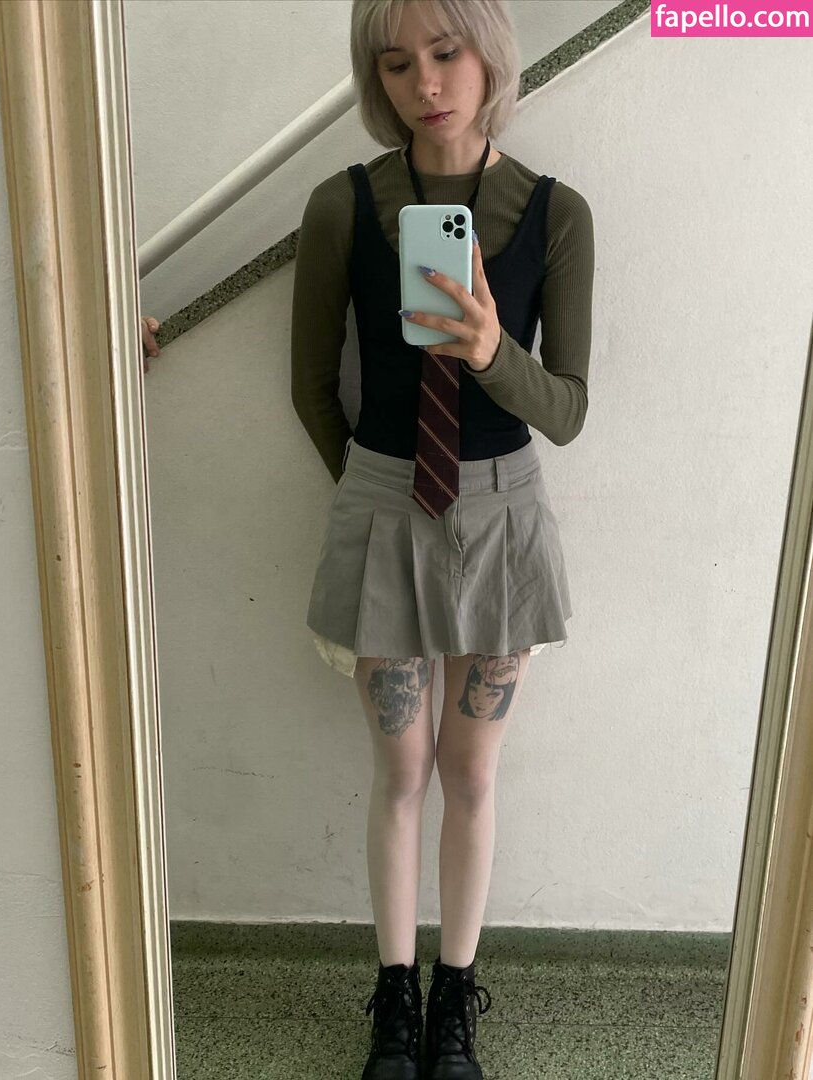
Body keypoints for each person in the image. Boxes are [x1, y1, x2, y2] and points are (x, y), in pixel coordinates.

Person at [292, 2, 594, 1078]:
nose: (423, 81)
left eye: (445, 52)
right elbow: (311, 385)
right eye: (395, 63)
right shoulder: (341, 205)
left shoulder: (555, 213)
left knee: (469, 771)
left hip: (504, 515)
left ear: (489, 56)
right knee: (400, 771)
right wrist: (371, 489)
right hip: (385, 506)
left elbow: (565, 410)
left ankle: (454, 997)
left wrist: (490, 350)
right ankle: (394, 997)